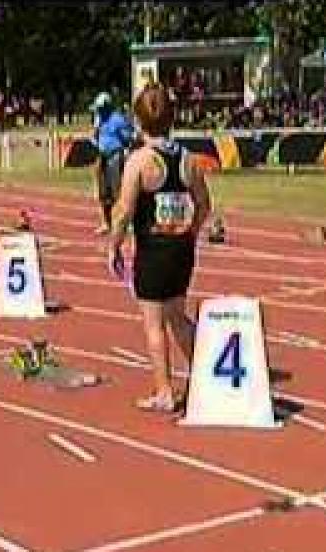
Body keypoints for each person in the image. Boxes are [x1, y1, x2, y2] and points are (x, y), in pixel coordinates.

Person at [105, 83, 210, 412]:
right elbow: (204, 204)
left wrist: (114, 245)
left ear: (138, 122)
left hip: (152, 251)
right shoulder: (188, 161)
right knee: (178, 316)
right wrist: (190, 231)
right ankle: (205, 375)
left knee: (154, 323)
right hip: (181, 250)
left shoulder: (139, 161)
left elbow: (124, 210)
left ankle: (165, 391)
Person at [90, 92, 136, 235]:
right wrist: (95, 136)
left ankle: (123, 222)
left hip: (115, 156)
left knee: (118, 191)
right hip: (101, 156)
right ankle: (106, 222)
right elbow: (94, 136)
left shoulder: (118, 120)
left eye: (101, 109)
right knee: (103, 192)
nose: (99, 111)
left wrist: (124, 145)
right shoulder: (99, 119)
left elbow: (129, 138)